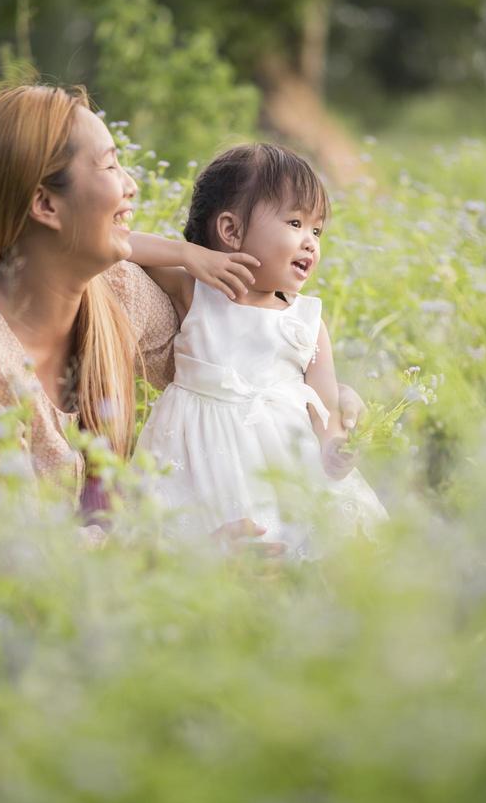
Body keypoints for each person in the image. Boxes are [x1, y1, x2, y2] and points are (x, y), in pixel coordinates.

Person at [0, 84, 364, 550]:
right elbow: (13, 553)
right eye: (108, 165)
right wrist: (184, 560)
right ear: (45, 204)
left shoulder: (116, 291)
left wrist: (329, 395)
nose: (131, 184)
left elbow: (229, 363)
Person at [133, 144, 387, 555]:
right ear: (231, 231)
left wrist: (333, 447)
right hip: (200, 459)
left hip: (282, 462)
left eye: (317, 231)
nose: (311, 243)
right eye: (295, 222)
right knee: (196, 551)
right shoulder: (196, 291)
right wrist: (186, 254)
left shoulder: (307, 322)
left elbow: (325, 410)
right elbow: (116, 245)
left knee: (300, 554)